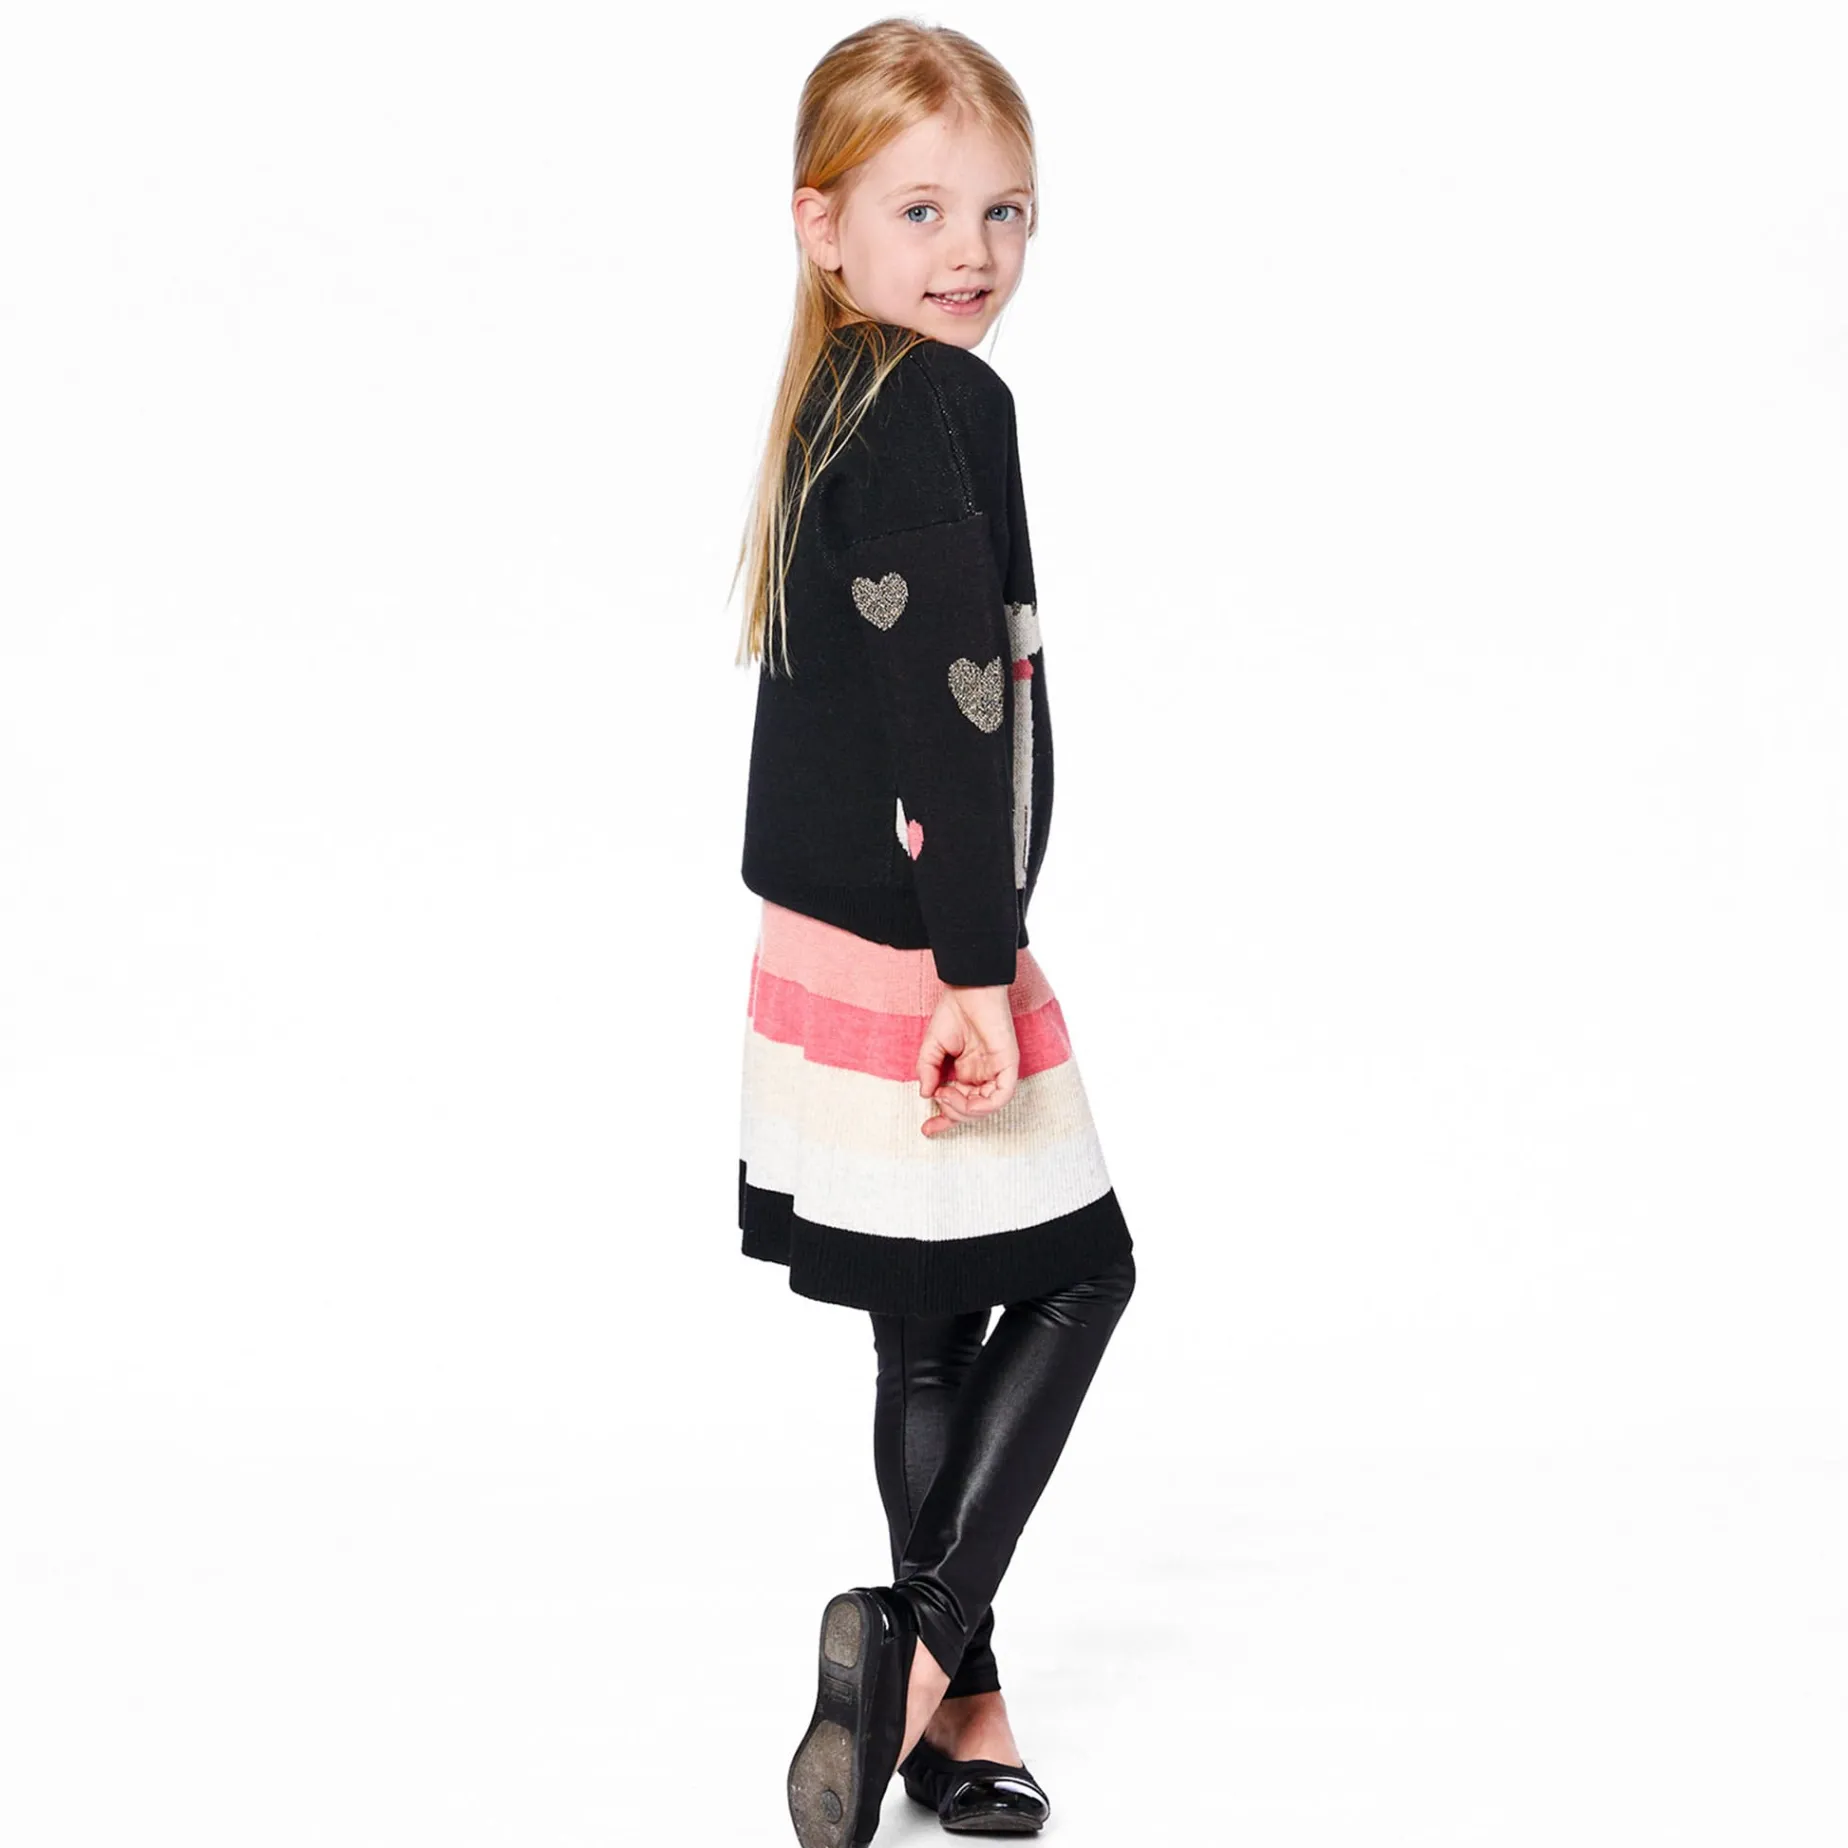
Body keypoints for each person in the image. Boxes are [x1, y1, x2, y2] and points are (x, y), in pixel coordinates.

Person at [730, 21, 1138, 1845]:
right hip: (924, 946)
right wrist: (979, 965)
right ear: (821, 223)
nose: (972, 250)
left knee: (925, 1340)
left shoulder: (833, 394)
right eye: (922, 209)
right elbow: (954, 713)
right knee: (1081, 1270)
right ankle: (918, 1639)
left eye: (1005, 211)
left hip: (817, 945)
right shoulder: (942, 404)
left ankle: (959, 1708)